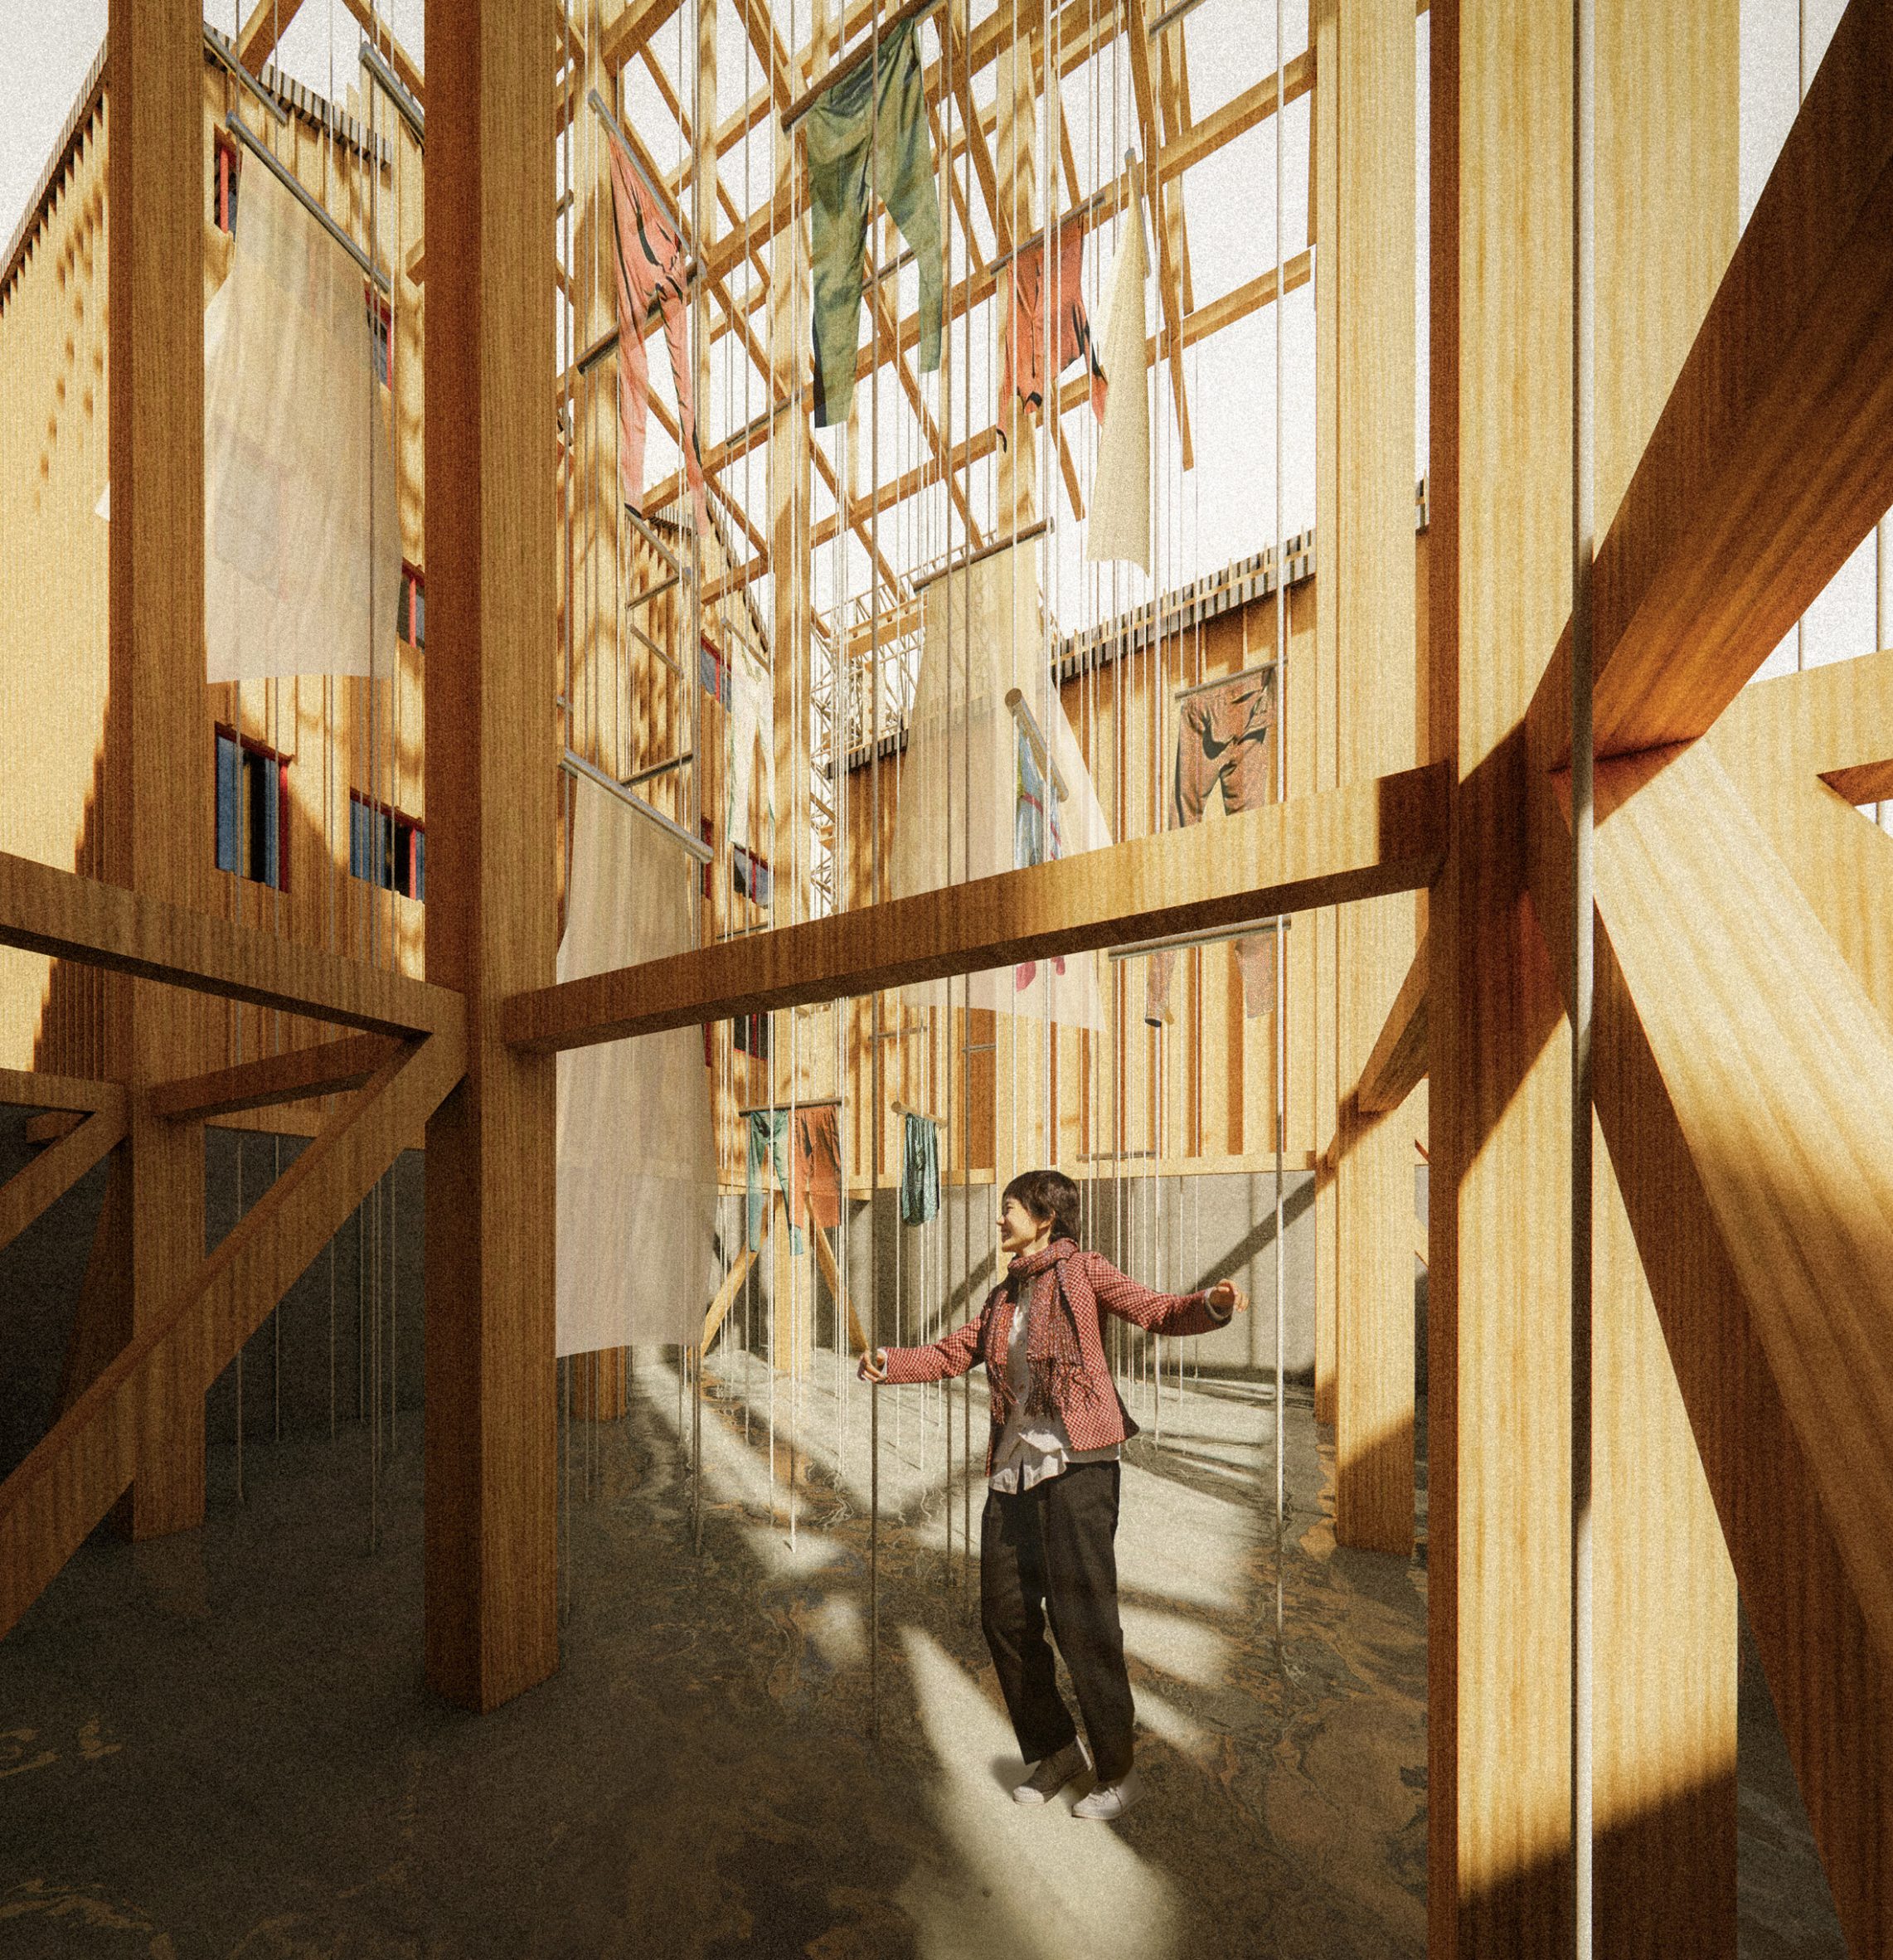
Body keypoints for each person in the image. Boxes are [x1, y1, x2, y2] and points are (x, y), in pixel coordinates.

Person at [859, 1167, 1247, 1821]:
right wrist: (892, 1363)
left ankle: (1117, 1769)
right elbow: (956, 1352)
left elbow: (1154, 1309)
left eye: (1007, 1207)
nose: (998, 1218)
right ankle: (1057, 1749)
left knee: (1083, 1622)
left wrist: (1211, 1305)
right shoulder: (1004, 1294)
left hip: (1078, 1466)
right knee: (1004, 1616)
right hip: (1014, 1469)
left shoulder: (1084, 1270)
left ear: (1043, 1216)